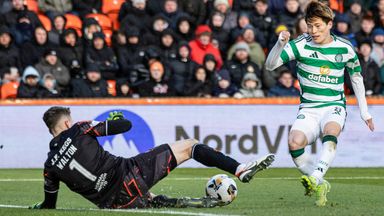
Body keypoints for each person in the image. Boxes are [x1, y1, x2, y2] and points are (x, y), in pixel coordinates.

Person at [30, 107, 275, 209]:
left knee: (145, 195)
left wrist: (39, 207)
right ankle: (240, 169)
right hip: (128, 177)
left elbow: (49, 206)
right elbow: (125, 126)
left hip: (114, 205)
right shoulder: (80, 128)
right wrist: (114, 118)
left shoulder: (49, 166)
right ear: (66, 122)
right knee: (189, 146)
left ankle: (166, 201)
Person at [265, 1, 374, 206]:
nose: (313, 31)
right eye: (309, 25)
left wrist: (364, 111)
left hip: (334, 105)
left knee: (330, 133)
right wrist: (280, 43)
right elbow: (270, 66)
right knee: (294, 143)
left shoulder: (345, 48)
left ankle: (315, 178)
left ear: (330, 23)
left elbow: (356, 77)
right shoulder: (300, 45)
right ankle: (321, 183)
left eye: (318, 26)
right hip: (309, 108)